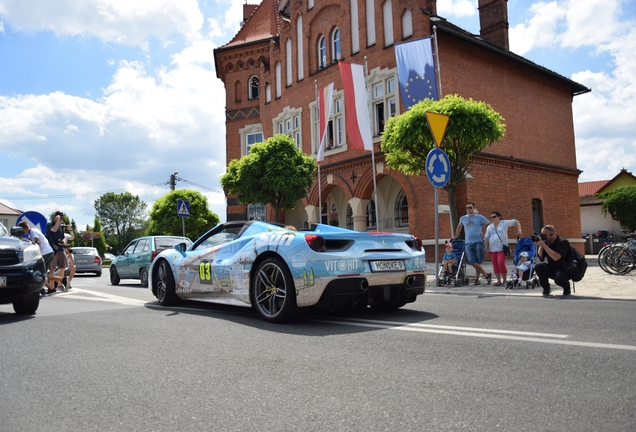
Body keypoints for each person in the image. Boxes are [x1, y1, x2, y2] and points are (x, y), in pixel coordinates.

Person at [452, 202, 491, 285]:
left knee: (478, 261)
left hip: (479, 241)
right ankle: (486, 275)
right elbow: (459, 227)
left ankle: (477, 280)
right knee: (471, 261)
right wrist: (455, 236)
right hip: (468, 242)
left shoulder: (479, 217)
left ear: (473, 208)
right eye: (467, 208)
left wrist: (486, 234)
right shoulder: (463, 218)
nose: (468, 209)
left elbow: (489, 224)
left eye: (470, 207)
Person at [484, 211, 522, 286]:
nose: (492, 218)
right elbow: (486, 238)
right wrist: (486, 247)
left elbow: (516, 221)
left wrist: (519, 230)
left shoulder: (504, 223)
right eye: (491, 217)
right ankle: (498, 280)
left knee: (501, 263)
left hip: (502, 248)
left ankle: (504, 279)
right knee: (495, 264)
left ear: (499, 217)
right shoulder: (490, 227)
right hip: (492, 248)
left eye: (494, 217)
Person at [18, 221, 55, 296]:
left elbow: (38, 242)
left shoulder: (33, 232)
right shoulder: (33, 231)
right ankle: (51, 288)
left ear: (24, 229)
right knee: (42, 272)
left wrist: (37, 252)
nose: (22, 233)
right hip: (49, 252)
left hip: (44, 253)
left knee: (38, 272)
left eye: (22, 231)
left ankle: (42, 290)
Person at [533, 224, 571, 296]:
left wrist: (544, 245)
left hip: (563, 268)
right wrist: (541, 245)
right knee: (538, 266)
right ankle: (546, 288)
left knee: (559, 279)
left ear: (552, 234)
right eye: (542, 234)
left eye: (544, 235)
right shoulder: (546, 243)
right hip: (552, 267)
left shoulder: (563, 242)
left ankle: (566, 287)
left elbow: (556, 257)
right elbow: (540, 259)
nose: (543, 236)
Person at [45, 211, 69, 293]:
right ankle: (51, 287)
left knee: (62, 267)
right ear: (54, 216)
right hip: (52, 249)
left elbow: (63, 237)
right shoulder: (49, 225)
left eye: (61, 217)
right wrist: (57, 221)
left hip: (60, 249)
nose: (60, 218)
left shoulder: (61, 227)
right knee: (52, 268)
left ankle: (59, 284)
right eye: (59, 217)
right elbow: (54, 230)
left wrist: (62, 242)